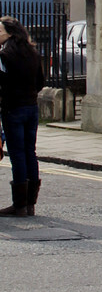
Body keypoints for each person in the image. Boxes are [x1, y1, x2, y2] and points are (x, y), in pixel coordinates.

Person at [0, 17, 45, 217]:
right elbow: (40, 82)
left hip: (13, 109)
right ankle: (30, 204)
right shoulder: (33, 53)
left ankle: (19, 206)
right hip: (32, 108)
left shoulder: (4, 55)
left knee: (17, 155)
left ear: (10, 33)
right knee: (30, 152)